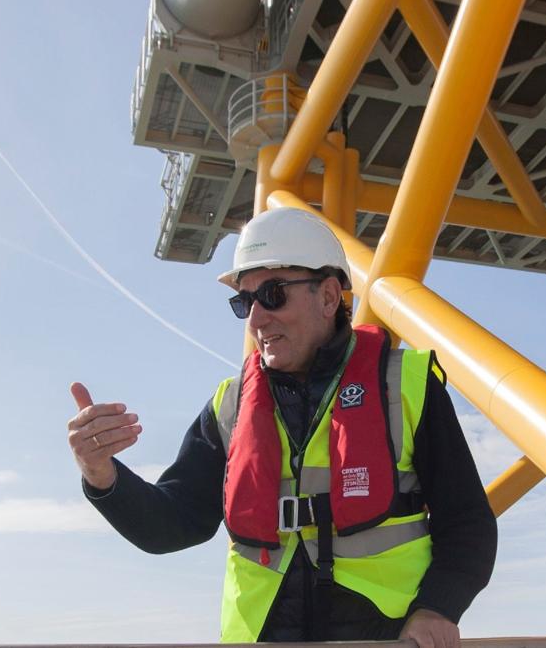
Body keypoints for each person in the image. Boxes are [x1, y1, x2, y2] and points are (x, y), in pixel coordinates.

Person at [67, 207, 496, 645]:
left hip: (383, 638)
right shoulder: (228, 408)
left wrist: (438, 609)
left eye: (272, 294)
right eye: (244, 302)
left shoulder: (407, 385)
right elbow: (172, 525)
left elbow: (467, 523)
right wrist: (102, 475)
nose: (255, 319)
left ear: (329, 297)